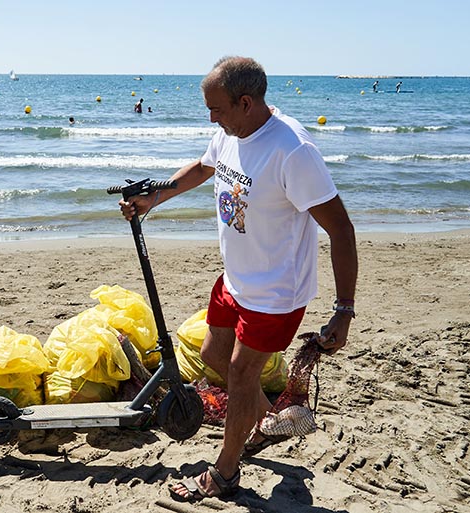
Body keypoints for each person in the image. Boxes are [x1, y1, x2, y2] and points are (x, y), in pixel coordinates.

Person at [119, 56, 357, 501]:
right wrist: (156, 197)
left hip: (275, 292)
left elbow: (341, 229)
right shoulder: (232, 132)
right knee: (214, 354)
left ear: (246, 102)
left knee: (241, 373)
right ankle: (266, 421)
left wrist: (344, 311)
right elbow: (205, 167)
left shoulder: (293, 151)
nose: (211, 117)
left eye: (217, 108)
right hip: (236, 279)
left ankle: (225, 473)